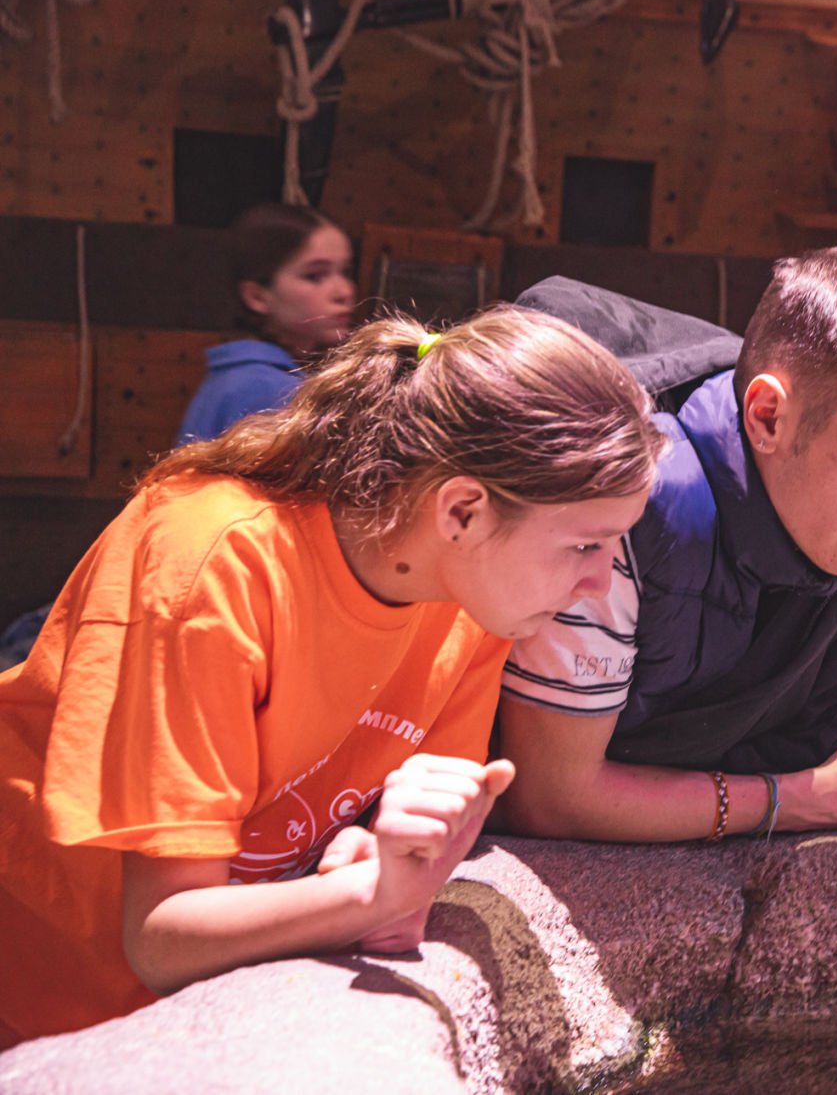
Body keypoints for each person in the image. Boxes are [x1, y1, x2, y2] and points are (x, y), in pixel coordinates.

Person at [0, 307, 664, 1045]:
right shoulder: (214, 565)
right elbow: (160, 938)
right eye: (585, 545)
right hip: (47, 1004)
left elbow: (394, 854)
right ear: (463, 511)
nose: (601, 583)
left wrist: (375, 853)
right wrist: (369, 893)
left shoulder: (477, 601)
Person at [497, 247, 837, 843]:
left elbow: (824, 747)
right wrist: (791, 801)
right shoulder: (624, 506)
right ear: (768, 416)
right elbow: (548, 795)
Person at [176, 203, 356, 445]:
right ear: (257, 297)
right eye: (314, 276)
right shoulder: (268, 389)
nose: (344, 292)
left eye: (345, 272)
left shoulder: (240, 376)